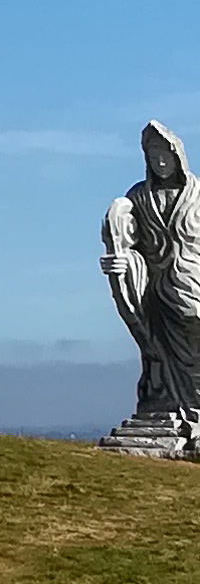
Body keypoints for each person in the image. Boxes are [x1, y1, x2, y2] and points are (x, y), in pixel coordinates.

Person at [102, 120, 200, 452]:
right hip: (156, 288)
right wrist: (118, 260)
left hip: (192, 282)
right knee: (161, 350)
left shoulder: (197, 195)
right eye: (153, 156)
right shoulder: (139, 196)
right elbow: (125, 234)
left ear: (178, 158)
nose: (160, 163)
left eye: (165, 157)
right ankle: (167, 404)